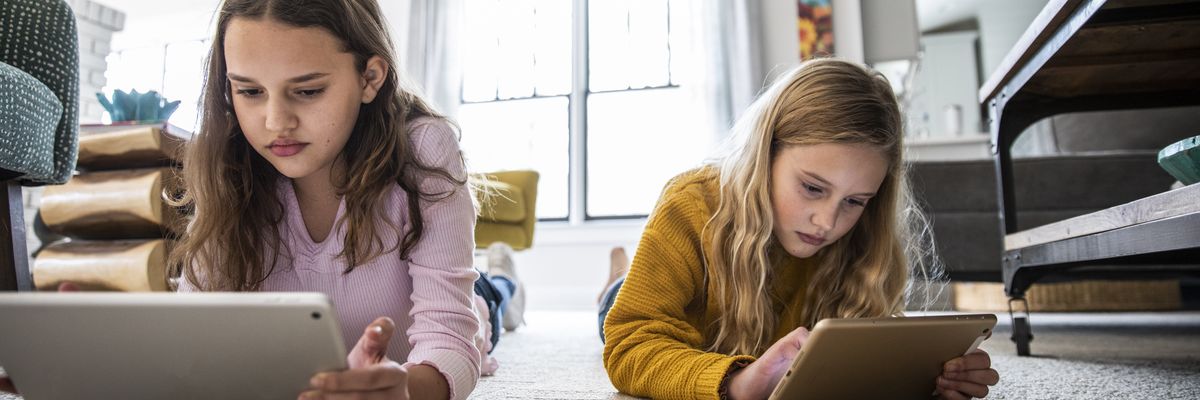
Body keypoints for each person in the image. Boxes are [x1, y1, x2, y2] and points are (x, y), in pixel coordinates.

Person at [0, 1, 524, 399]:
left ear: (370, 77)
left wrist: (407, 389)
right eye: (249, 92)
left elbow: (448, 337)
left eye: (308, 91)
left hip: (451, 314)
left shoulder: (425, 148)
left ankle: (502, 280)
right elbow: (197, 334)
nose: (275, 122)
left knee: (489, 307)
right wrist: (104, 368)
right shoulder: (229, 164)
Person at [597, 58, 1000, 400]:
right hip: (667, 308)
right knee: (614, 304)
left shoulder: (860, 239)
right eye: (812, 187)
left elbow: (853, 361)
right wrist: (737, 383)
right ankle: (619, 276)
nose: (827, 222)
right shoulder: (691, 203)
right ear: (765, 153)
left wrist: (934, 377)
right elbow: (630, 341)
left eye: (855, 201)